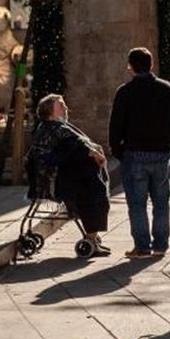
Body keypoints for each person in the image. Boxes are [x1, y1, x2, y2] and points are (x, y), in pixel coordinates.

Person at [109, 48, 170, 259]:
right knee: (161, 202)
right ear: (151, 65)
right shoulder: (167, 89)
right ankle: (160, 245)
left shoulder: (125, 92)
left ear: (131, 67)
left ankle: (142, 247)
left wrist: (118, 150)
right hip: (160, 154)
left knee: (137, 203)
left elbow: (115, 125)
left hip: (134, 155)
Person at [27, 94, 111, 255]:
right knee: (91, 193)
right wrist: (92, 153)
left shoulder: (56, 127)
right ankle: (91, 237)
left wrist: (93, 152)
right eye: (61, 106)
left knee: (94, 188)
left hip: (70, 176)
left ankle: (93, 237)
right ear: (50, 111)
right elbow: (71, 149)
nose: (66, 108)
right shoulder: (51, 129)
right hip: (58, 181)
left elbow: (77, 146)